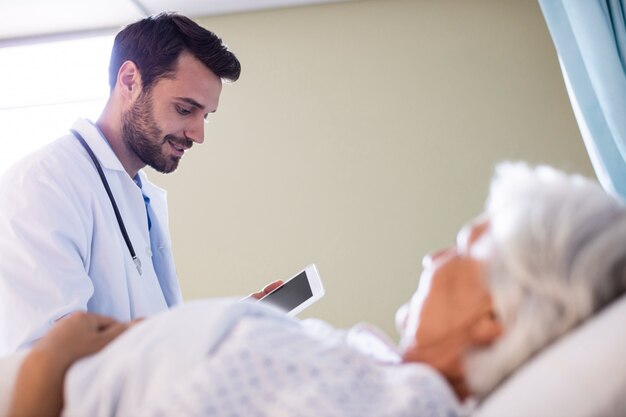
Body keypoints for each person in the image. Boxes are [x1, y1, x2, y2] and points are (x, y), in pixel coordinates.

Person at [3, 162, 626, 416]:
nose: (436, 255)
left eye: (463, 247)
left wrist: (52, 363)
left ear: (495, 315)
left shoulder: (377, 398)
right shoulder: (372, 375)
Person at [0, 12, 280, 355]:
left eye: (204, 116)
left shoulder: (139, 192)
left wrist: (220, 332)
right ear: (130, 80)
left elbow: (152, 342)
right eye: (184, 109)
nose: (198, 134)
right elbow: (48, 363)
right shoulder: (41, 186)